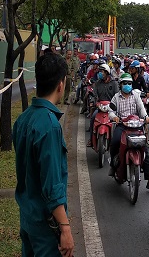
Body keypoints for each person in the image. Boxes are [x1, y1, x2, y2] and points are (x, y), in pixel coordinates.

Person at [12, 52, 74, 257]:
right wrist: (65, 228)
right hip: (46, 227)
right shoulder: (50, 126)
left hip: (28, 219)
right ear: (60, 85)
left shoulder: (22, 120)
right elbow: (52, 186)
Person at [108, 73, 149, 191]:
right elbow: (110, 111)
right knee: (115, 142)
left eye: (129, 83)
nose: (127, 85)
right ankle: (113, 165)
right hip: (122, 126)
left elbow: (141, 109)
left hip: (136, 126)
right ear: (120, 85)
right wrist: (114, 117)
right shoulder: (116, 97)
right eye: (125, 83)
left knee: (144, 150)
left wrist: (146, 118)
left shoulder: (136, 96)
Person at [86, 63, 119, 147]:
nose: (100, 73)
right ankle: (91, 139)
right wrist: (93, 102)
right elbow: (94, 95)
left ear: (107, 72)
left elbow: (117, 96)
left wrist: (114, 104)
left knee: (117, 122)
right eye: (99, 71)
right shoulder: (97, 83)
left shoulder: (114, 83)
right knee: (93, 118)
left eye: (102, 71)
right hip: (100, 107)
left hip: (111, 108)